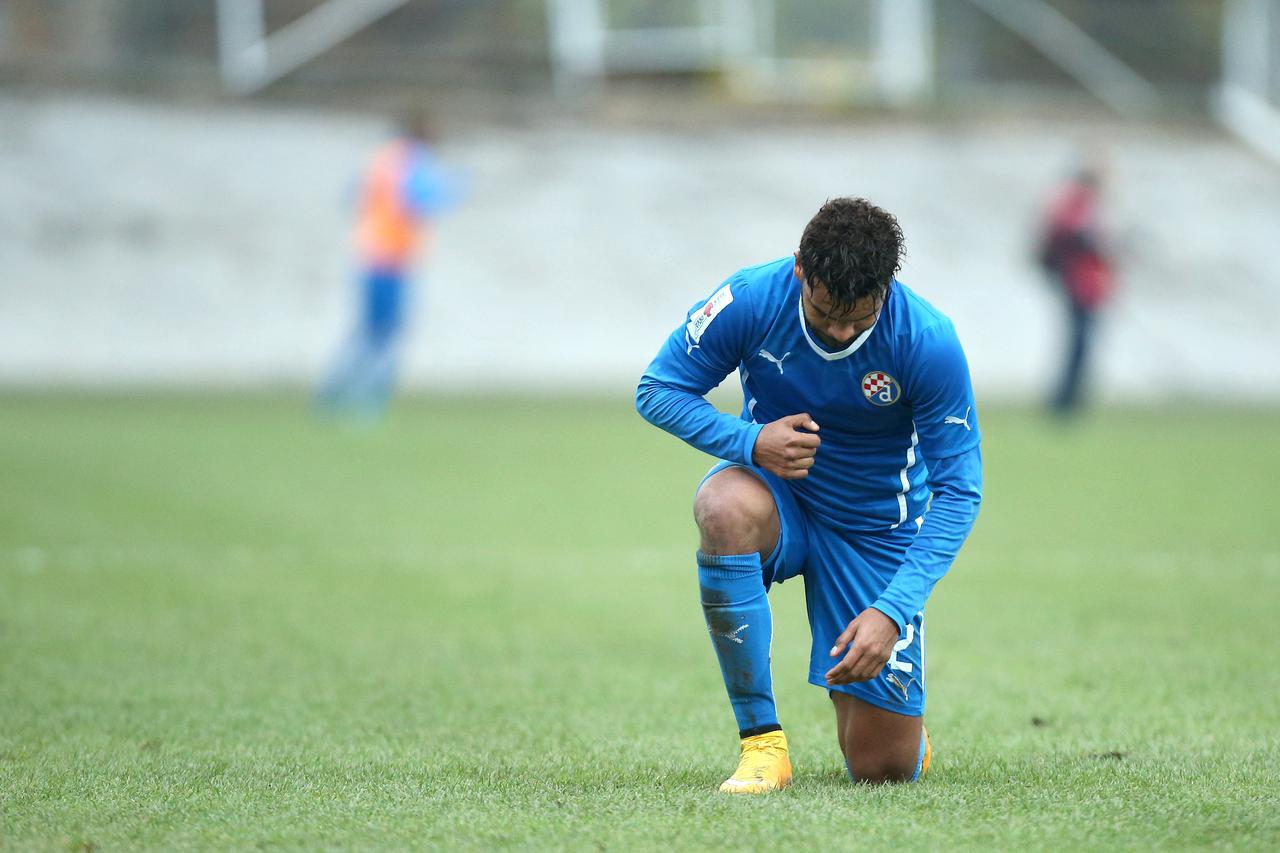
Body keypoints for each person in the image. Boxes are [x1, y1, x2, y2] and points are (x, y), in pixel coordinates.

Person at [635, 198, 982, 791]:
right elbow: (658, 389)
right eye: (826, 314)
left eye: (860, 318)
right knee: (722, 507)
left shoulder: (927, 340)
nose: (842, 331)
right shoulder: (751, 298)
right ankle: (762, 745)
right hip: (779, 497)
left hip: (874, 530)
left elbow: (959, 491)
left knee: (883, 771)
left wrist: (892, 611)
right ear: (801, 269)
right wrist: (750, 441)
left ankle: (894, 712)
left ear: (887, 287)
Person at [316, 110, 460, 420]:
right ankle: (368, 401)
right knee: (386, 334)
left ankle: (331, 394)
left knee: (365, 331)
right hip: (392, 258)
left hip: (368, 253)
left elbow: (352, 197)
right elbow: (421, 199)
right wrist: (453, 190)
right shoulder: (413, 162)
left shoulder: (381, 159)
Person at [1036, 166, 1116, 415]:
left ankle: (1069, 398)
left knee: (1079, 343)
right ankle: (1066, 400)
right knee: (1079, 343)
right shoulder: (1080, 203)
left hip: (1082, 284)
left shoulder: (1076, 203)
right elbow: (1076, 236)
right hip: (1079, 285)